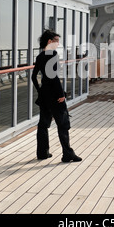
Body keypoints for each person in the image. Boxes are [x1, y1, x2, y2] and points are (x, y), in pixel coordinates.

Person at [31, 30, 82, 163]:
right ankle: (67, 154)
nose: (58, 43)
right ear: (49, 42)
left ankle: (42, 153)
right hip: (54, 96)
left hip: (44, 96)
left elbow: (33, 77)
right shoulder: (52, 54)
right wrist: (61, 94)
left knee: (43, 125)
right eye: (56, 41)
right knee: (63, 124)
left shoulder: (40, 56)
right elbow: (54, 78)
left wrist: (40, 91)